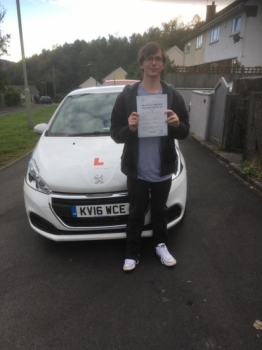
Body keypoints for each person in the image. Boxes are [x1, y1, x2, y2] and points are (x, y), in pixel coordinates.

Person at [110, 42, 190, 272]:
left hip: (163, 166)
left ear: (163, 64)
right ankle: (132, 252)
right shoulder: (127, 96)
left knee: (160, 210)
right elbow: (115, 134)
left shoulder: (172, 95)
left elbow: (185, 130)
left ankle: (161, 245)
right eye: (149, 58)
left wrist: (176, 125)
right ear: (142, 63)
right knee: (135, 212)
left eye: (158, 59)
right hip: (136, 168)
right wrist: (129, 129)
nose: (154, 63)